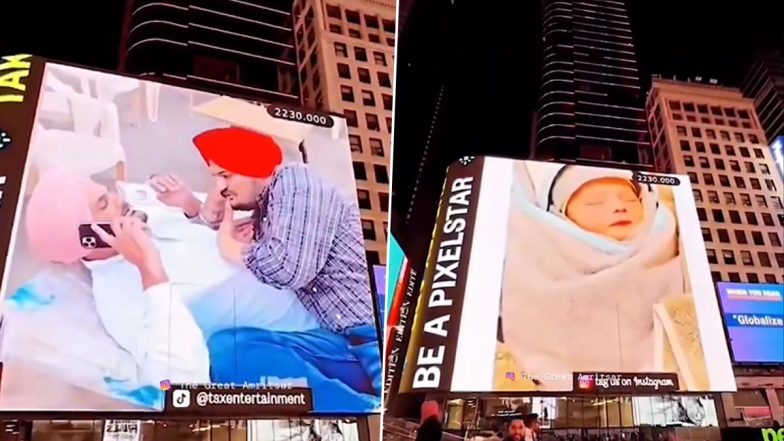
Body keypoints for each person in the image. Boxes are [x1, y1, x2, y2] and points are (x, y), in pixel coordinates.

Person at [12, 169, 375, 411]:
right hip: (323, 340)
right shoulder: (119, 299)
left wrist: (196, 210)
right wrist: (150, 270)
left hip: (323, 285)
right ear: (84, 238)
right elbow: (179, 381)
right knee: (228, 353)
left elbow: (208, 227)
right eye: (103, 204)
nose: (119, 200)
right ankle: (364, 416)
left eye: (107, 192)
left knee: (297, 182)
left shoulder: (146, 213)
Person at [188, 126, 382, 399]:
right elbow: (208, 226)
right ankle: (355, 407)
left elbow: (287, 269)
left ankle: (364, 415)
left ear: (251, 165)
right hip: (347, 342)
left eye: (225, 175)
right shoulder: (269, 208)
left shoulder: (296, 182)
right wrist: (216, 205)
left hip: (378, 334)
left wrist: (231, 250)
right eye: (215, 178)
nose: (220, 187)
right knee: (228, 349)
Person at [501, 163, 692, 390]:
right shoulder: (548, 252)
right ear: (562, 215)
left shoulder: (666, 236)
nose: (619, 207)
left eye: (629, 199)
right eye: (595, 203)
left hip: (666, 382)